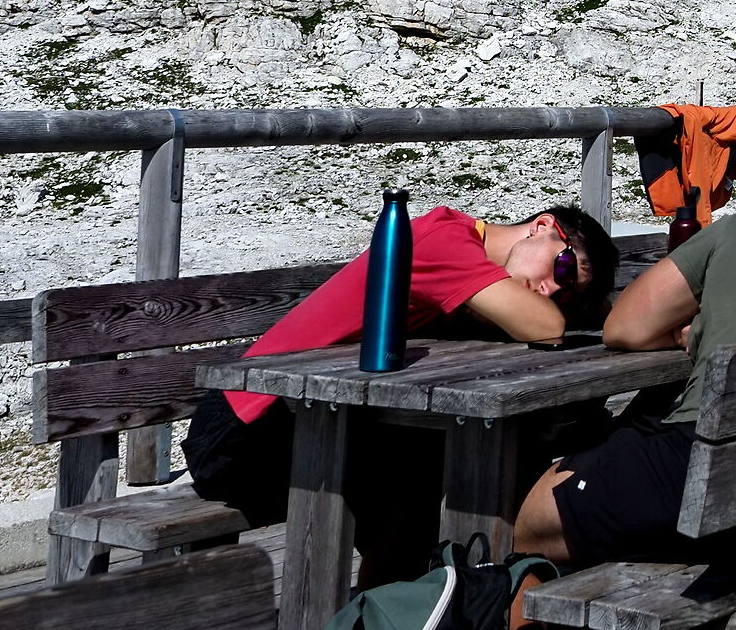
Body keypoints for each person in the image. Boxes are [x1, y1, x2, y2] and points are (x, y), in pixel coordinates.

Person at [184, 202, 620, 583]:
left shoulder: (474, 265)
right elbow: (544, 326)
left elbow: (583, 314)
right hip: (243, 429)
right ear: (543, 226)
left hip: (311, 418)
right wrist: (569, 313)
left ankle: (411, 600)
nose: (550, 290)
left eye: (565, 294)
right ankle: (402, 602)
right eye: (562, 269)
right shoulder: (444, 242)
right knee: (435, 475)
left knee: (453, 463)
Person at [509, 198, 736, 574]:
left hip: (722, 478)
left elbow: (622, 328)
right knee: (620, 448)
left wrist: (691, 327)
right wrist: (708, 323)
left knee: (529, 515)